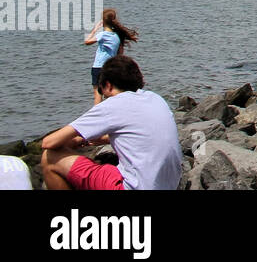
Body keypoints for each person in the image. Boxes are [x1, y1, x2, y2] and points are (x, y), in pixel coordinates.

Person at [41, 55, 183, 190]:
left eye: (102, 93)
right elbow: (145, 135)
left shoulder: (113, 104)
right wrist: (103, 139)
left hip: (136, 187)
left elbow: (48, 143)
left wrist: (74, 141)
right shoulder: (155, 98)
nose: (104, 97)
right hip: (169, 184)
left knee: (49, 158)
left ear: (108, 85)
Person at [83, 8, 138, 103]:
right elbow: (120, 54)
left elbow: (87, 41)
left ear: (103, 22)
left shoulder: (102, 35)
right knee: (110, 94)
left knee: (98, 94)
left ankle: (98, 116)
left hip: (98, 67)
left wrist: (95, 29)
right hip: (110, 69)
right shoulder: (117, 36)